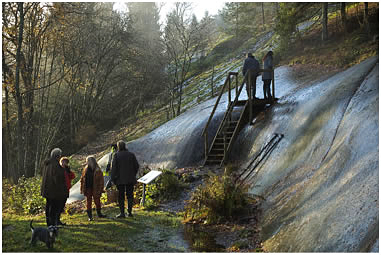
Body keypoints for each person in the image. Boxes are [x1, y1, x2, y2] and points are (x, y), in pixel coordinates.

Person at [111, 140, 139, 218]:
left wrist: (113, 178)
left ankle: (122, 213)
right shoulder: (131, 155)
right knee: (130, 195)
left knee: (121, 196)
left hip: (120, 180)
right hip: (130, 179)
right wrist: (133, 174)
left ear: (118, 146)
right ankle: (129, 212)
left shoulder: (116, 155)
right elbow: (136, 166)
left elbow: (114, 168)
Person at [41, 148, 69, 226]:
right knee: (53, 208)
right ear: (58, 155)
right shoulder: (56, 165)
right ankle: (52, 224)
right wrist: (63, 190)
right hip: (54, 191)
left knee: (48, 206)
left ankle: (50, 223)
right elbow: (58, 179)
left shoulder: (47, 164)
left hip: (47, 190)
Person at [80, 156, 106, 221]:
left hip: (96, 188)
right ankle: (90, 216)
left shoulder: (98, 170)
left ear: (91, 161)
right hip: (88, 188)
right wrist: (82, 187)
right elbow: (82, 179)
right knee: (88, 201)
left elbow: (101, 180)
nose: (87, 162)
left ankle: (99, 214)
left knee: (97, 201)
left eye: (87, 161)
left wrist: (101, 188)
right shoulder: (85, 169)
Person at [57, 157, 76, 226]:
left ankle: (57, 220)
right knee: (58, 205)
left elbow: (73, 176)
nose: (64, 163)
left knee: (62, 205)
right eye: (63, 162)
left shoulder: (66, 170)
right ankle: (56, 220)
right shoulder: (58, 169)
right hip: (59, 190)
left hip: (66, 189)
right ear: (60, 162)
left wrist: (69, 171)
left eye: (65, 162)